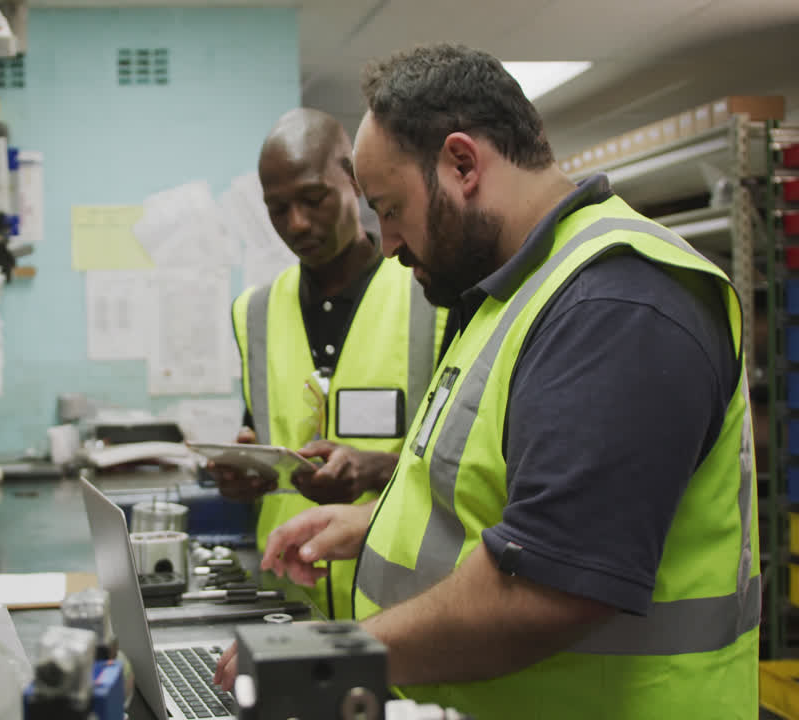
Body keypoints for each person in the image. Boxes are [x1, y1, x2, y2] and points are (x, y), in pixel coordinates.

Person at [214, 44, 758, 719]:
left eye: (389, 209)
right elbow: (491, 500)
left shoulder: (615, 304)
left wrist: (326, 653)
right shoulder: (506, 293)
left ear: (463, 165)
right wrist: (370, 526)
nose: (385, 243)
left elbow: (541, 591)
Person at [212, 108, 445, 621]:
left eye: (314, 199)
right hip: (286, 602)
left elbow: (466, 461)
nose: (297, 223)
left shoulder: (432, 297)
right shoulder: (253, 313)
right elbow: (265, 432)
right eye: (278, 209)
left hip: (402, 601)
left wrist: (379, 468)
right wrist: (244, 475)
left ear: (355, 181)